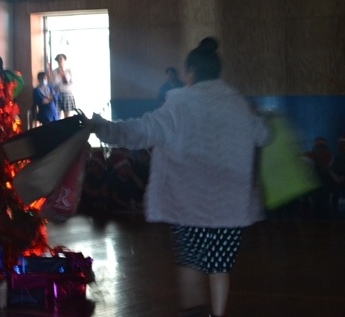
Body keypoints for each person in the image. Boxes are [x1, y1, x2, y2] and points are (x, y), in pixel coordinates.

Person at [89, 37, 271, 317]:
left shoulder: (179, 104)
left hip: (188, 203)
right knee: (220, 266)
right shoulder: (238, 104)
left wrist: (102, 128)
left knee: (190, 261)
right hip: (230, 202)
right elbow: (263, 135)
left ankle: (192, 312)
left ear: (190, 72)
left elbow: (142, 131)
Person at [50, 54, 76, 118]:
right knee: (57, 115)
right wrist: (58, 75)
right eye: (58, 59)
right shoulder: (54, 72)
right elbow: (52, 84)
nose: (59, 61)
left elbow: (72, 83)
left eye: (61, 59)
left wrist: (63, 85)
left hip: (67, 93)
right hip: (58, 94)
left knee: (67, 116)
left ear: (64, 60)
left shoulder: (69, 70)